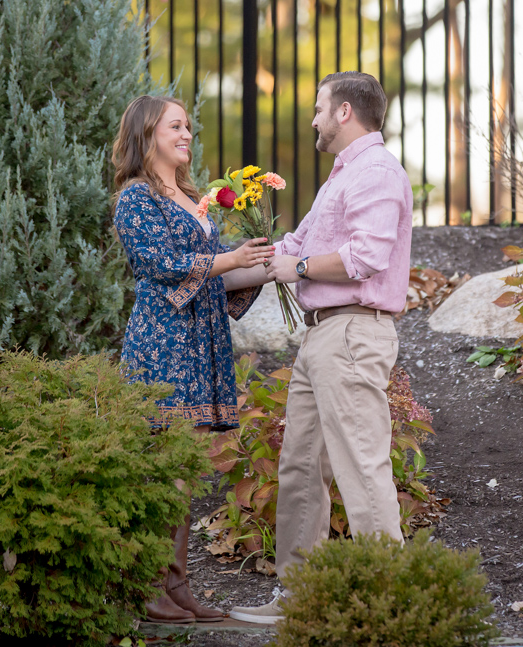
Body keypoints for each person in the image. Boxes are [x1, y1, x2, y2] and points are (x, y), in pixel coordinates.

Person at [229, 71, 413, 624]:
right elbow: (294, 244)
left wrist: (299, 267)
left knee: (360, 464)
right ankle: (300, 597)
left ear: (343, 113)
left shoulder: (377, 171)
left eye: (317, 108)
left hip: (354, 331)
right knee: (301, 467)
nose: (312, 118)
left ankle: (392, 606)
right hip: (321, 335)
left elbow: (367, 256)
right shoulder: (342, 176)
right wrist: (220, 267)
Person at [112, 95, 275, 623]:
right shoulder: (135, 199)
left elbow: (217, 273)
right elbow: (161, 264)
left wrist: (266, 264)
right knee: (164, 467)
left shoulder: (190, 197)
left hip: (201, 343)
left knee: (185, 467)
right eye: (175, 126)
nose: (187, 134)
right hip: (163, 345)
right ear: (147, 134)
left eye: (188, 126)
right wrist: (228, 258)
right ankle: (145, 586)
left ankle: (176, 586)